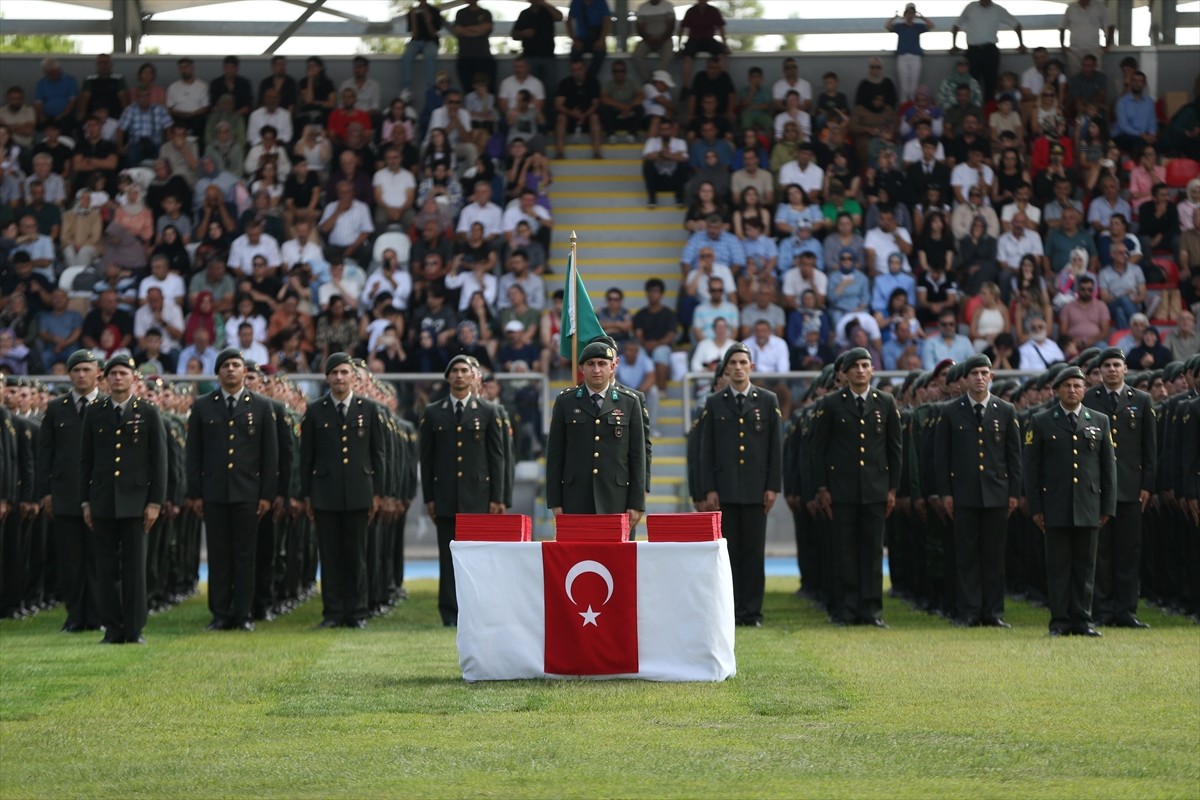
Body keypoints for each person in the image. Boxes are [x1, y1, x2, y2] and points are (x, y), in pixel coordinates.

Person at [186, 348, 278, 632]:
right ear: (218, 372)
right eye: (225, 365)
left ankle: (243, 614)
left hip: (247, 493)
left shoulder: (262, 406)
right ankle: (220, 613)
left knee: (245, 555)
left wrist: (266, 495)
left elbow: (269, 455)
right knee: (218, 555)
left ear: (244, 372)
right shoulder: (202, 405)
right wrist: (196, 494)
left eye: (236, 365)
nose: (230, 370)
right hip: (214, 493)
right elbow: (194, 455)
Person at [810, 347, 903, 627]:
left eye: (866, 365)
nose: (861, 370)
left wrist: (892, 489)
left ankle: (871, 610)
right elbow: (819, 450)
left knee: (873, 552)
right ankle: (846, 610)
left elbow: (894, 449)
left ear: (872, 370)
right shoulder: (831, 404)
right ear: (845, 373)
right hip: (842, 490)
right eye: (855, 366)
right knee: (845, 552)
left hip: (875, 489)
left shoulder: (885, 402)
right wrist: (822, 487)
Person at [79, 355, 168, 645]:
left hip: (136, 501)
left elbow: (159, 462)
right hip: (103, 500)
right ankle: (112, 627)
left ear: (133, 378)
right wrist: (85, 502)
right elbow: (86, 461)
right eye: (113, 374)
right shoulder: (95, 412)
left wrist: (155, 502)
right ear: (105, 379)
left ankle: (134, 628)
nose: (118, 378)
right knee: (106, 569)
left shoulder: (148, 412)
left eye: (123, 373)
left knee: (134, 569)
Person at [1024, 366, 1117, 637]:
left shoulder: (1099, 420)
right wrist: (1036, 508)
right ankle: (1060, 621)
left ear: (1085, 389)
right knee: (1058, 567)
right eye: (1067, 386)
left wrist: (1107, 507)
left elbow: (1107, 469)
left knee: (1086, 567)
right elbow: (1032, 470)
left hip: (1089, 505)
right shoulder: (1041, 421)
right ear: (1057, 390)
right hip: (1055, 506)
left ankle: (1083, 620)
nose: (1073, 390)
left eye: (1077, 385)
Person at [695, 343, 781, 627]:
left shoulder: (767, 400)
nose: (738, 367)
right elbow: (707, 450)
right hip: (726, 490)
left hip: (757, 490)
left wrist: (773, 486)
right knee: (728, 554)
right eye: (733, 363)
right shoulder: (715, 402)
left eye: (743, 362)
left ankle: (752, 611)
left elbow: (774, 449)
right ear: (726, 368)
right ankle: (730, 610)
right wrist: (710, 488)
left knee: (754, 554)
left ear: (751, 367)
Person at [933, 353, 1021, 627]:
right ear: (965, 379)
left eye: (985, 373)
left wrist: (1014, 493)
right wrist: (946, 493)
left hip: (996, 493)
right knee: (967, 555)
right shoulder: (950, 411)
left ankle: (993, 612)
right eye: (974, 374)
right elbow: (941, 457)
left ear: (992, 377)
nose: (980, 378)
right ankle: (969, 611)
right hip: (964, 493)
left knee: (994, 556)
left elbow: (1013, 457)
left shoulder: (1006, 410)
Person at [299, 353, 386, 629]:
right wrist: (306, 495)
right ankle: (333, 613)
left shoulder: (369, 409)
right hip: (325, 494)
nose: (339, 377)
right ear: (327, 378)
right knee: (331, 555)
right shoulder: (315, 410)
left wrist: (378, 493)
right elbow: (306, 458)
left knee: (356, 556)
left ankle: (357, 612)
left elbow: (378, 455)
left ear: (353, 377)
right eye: (334, 373)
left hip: (360, 493)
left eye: (344, 372)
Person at [418, 355, 506, 627]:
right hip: (445, 497)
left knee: (478, 558)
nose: (458, 375)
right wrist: (429, 498)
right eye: (454, 371)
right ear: (447, 377)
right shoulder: (433, 412)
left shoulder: (488, 411)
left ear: (472, 376)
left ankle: (476, 610)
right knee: (448, 557)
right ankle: (450, 612)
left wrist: (498, 497)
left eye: (464, 370)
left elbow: (497, 458)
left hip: (478, 497)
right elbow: (427, 459)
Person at [1082, 347, 1156, 628]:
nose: (1112, 370)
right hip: (1097, 488)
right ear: (1099, 371)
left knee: (1128, 551)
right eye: (1107, 366)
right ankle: (1101, 610)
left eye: (1117, 365)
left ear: (1126, 369)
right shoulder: (1089, 399)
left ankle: (1126, 610)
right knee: (1100, 552)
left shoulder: (1141, 400)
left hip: (1130, 488)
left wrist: (1147, 485)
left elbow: (1149, 448)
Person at [36, 349, 104, 633]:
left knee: (99, 560)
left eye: (86, 369)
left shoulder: (107, 405)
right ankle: (75, 616)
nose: (81, 375)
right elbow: (45, 455)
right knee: (70, 561)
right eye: (76, 370)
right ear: (69, 374)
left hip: (101, 496)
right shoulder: (56, 408)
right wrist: (46, 493)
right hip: (65, 495)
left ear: (97, 372)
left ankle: (98, 616)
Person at [545, 339, 647, 525]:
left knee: (617, 554)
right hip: (575, 499)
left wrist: (637, 503)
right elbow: (555, 455)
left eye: (602, 364)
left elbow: (637, 456)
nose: (597, 370)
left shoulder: (629, 402)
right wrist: (555, 501)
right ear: (581, 368)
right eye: (591, 364)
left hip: (617, 498)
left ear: (612, 367)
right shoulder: (565, 402)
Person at [950, 0, 1025, 99]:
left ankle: (989, 111)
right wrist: (954, 44)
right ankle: (974, 112)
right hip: (973, 51)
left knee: (991, 84)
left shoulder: (998, 10)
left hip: (990, 51)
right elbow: (956, 25)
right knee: (971, 83)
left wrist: (1021, 44)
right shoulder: (970, 7)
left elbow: (1016, 25)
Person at [887, 4, 934, 104]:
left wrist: (922, 17)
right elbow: (887, 26)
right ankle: (904, 110)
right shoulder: (899, 26)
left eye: (912, 13)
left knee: (913, 88)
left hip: (915, 57)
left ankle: (913, 108)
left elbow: (931, 25)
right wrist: (894, 17)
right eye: (908, 13)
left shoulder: (918, 27)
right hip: (902, 57)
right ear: (905, 14)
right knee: (904, 88)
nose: (910, 15)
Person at [402, 0, 445, 91]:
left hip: (431, 41)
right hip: (416, 41)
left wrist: (428, 21)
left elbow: (434, 34)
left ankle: (431, 88)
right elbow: (415, 35)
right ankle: (406, 89)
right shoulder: (412, 12)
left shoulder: (434, 11)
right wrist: (413, 19)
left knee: (430, 55)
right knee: (407, 55)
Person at [633, 0, 676, 83]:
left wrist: (662, 38)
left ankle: (657, 78)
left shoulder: (668, 5)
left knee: (668, 55)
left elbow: (671, 25)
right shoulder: (642, 7)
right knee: (637, 55)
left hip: (665, 39)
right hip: (647, 39)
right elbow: (639, 27)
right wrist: (648, 38)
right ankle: (649, 79)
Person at [567, 0, 610, 80]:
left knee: (600, 53)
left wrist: (601, 40)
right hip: (582, 38)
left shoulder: (601, 2)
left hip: (597, 37)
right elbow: (569, 21)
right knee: (575, 53)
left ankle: (589, 79)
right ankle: (577, 77)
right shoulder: (576, 2)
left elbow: (607, 20)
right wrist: (574, 40)